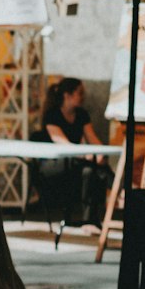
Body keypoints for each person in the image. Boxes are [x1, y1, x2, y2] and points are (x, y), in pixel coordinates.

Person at [40, 76, 110, 233]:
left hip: (76, 160)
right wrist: (87, 154)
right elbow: (62, 143)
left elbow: (92, 138)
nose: (83, 97)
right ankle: (118, 193)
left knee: (91, 170)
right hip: (54, 163)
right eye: (80, 93)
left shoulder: (82, 114)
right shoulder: (52, 115)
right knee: (91, 168)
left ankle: (89, 219)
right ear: (67, 95)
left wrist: (100, 154)